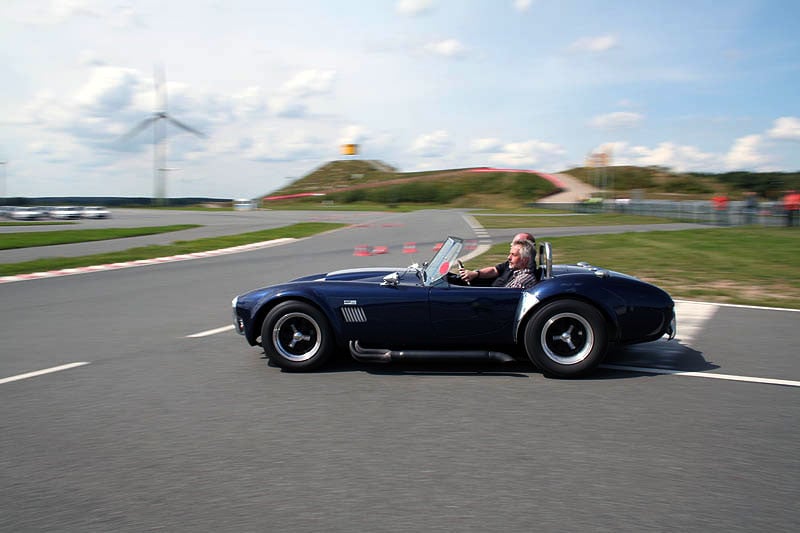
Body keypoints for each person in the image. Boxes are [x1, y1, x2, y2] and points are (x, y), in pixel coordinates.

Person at [459, 232, 537, 289]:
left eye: (514, 254)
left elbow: (505, 296)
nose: (509, 257)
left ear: (524, 260)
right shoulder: (514, 265)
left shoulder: (523, 278)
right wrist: (475, 274)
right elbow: (494, 270)